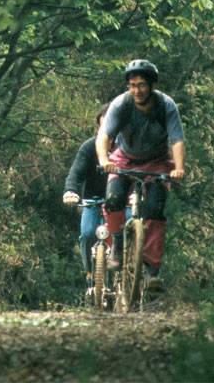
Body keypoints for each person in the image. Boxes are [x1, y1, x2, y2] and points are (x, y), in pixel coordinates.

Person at [96, 59, 186, 291]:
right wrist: (105, 160)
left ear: (152, 86)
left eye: (142, 85)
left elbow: (176, 139)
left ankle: (151, 269)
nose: (137, 91)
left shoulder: (166, 106)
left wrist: (178, 167)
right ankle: (116, 244)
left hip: (157, 162)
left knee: (155, 209)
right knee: (113, 199)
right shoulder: (121, 104)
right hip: (124, 158)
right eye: (133, 85)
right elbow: (104, 136)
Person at [63, 103, 123, 297]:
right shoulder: (90, 147)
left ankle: (130, 273)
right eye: (102, 127)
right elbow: (76, 172)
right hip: (94, 201)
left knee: (127, 230)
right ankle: (91, 274)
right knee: (88, 233)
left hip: (122, 202)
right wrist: (71, 191)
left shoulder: (128, 148)